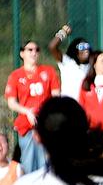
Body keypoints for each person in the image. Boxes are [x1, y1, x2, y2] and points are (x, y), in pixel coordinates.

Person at [5, 40, 61, 174]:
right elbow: (11, 102)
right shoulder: (15, 76)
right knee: (28, 163)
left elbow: (56, 96)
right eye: (30, 50)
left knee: (46, 163)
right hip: (26, 125)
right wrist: (27, 112)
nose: (34, 53)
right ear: (22, 53)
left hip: (45, 124)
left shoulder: (49, 71)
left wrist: (44, 114)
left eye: (36, 50)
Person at [48, 24, 92, 100]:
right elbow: (52, 47)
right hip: (67, 105)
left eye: (87, 46)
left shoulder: (91, 65)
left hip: (84, 106)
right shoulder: (67, 61)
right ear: (75, 50)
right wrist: (63, 32)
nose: (86, 50)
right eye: (82, 47)